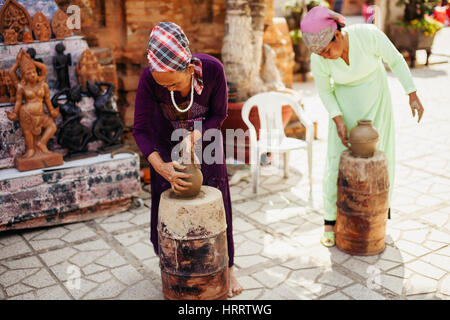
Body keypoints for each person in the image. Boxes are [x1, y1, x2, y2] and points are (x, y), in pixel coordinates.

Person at [132, 22, 243, 297]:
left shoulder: (213, 70)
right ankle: (172, 265)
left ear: (190, 69)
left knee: (219, 201)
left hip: (206, 142)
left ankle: (227, 267)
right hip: (165, 146)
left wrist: (195, 136)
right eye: (162, 84)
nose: (166, 87)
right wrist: (160, 167)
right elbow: (141, 128)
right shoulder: (149, 79)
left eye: (172, 82)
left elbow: (219, 114)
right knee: (167, 201)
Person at [300, 7, 425, 247]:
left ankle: (381, 211)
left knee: (384, 155)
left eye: (327, 50)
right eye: (320, 53)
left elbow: (396, 61)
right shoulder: (319, 58)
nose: (325, 56)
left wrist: (412, 93)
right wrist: (338, 120)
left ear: (337, 35)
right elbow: (325, 91)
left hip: (377, 100)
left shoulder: (368, 35)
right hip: (344, 108)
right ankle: (329, 220)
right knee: (335, 161)